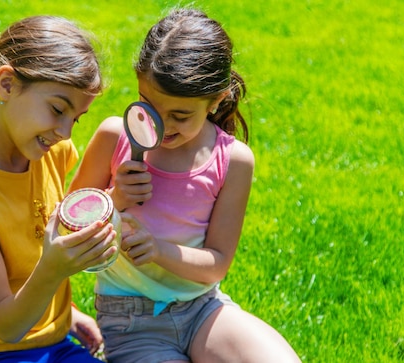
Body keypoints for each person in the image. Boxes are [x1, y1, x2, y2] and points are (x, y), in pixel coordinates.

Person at [68, 8, 302, 363]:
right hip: (131, 320)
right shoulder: (115, 136)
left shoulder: (232, 160)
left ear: (216, 100)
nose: (162, 126)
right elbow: (62, 226)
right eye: (148, 105)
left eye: (180, 115)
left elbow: (216, 263)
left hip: (202, 309)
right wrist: (113, 198)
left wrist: (158, 249)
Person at [0, 15, 118, 363]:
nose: (66, 132)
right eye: (58, 109)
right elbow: (6, 325)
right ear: (7, 84)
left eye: (75, 119)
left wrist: (69, 315)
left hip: (55, 345)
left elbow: (46, 230)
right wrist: (54, 268)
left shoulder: (48, 151)